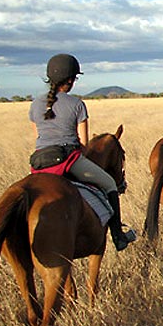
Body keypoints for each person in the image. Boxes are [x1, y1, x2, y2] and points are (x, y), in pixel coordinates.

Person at [29, 53, 135, 251]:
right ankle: (118, 236)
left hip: (39, 163)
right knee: (110, 183)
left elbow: (38, 139)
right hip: (68, 160)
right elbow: (83, 144)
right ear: (70, 80)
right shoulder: (77, 104)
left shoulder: (35, 104)